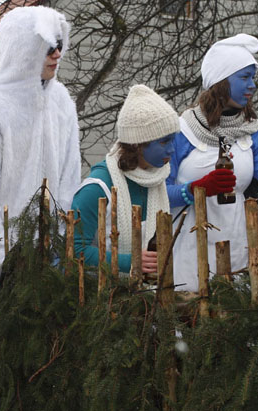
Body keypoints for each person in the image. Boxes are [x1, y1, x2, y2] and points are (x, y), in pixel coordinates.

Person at [0, 5, 80, 270]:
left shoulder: (61, 102)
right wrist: (2, 256)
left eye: (59, 45)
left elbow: (69, 178)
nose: (57, 54)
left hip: (49, 256)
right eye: (46, 47)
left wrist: (60, 240)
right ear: (23, 48)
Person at [167, 33, 258, 291]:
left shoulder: (253, 133)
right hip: (188, 252)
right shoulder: (182, 131)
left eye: (253, 77)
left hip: (238, 249)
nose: (252, 86)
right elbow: (158, 193)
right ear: (221, 82)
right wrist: (195, 189)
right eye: (244, 77)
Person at [72, 85, 181, 274]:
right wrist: (129, 261)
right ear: (138, 144)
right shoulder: (98, 187)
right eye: (164, 142)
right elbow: (74, 250)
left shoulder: (155, 178)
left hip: (144, 295)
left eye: (173, 140)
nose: (172, 149)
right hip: (101, 296)